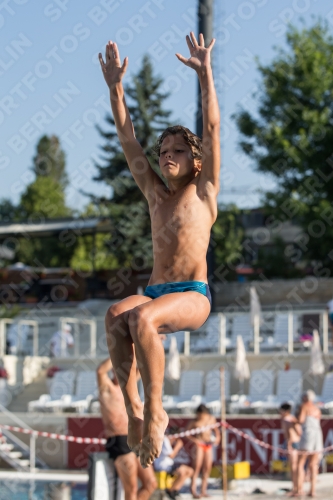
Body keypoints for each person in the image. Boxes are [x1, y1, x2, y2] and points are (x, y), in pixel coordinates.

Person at [99, 31, 220, 469]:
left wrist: (205, 73)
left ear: (196, 160)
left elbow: (212, 127)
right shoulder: (154, 194)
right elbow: (128, 138)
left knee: (143, 318)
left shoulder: (204, 192)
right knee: (116, 314)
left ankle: (155, 412)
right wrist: (116, 87)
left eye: (176, 151)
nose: (166, 156)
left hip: (191, 294)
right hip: (155, 291)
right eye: (163, 151)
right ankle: (133, 410)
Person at [97, 358, 157, 500]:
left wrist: (137, 344)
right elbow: (100, 371)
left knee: (151, 483)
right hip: (119, 440)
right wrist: (118, 347)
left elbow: (142, 368)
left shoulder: (128, 389)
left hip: (136, 439)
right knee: (131, 489)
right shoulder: (107, 388)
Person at [187, 404, 220, 498]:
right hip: (199, 444)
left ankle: (203, 490)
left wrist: (217, 438)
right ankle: (193, 490)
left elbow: (216, 430)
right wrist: (195, 441)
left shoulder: (211, 419)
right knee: (196, 467)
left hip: (208, 444)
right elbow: (186, 433)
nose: (200, 416)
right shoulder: (194, 421)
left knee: (207, 468)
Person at [295, 390, 323, 498]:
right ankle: (312, 490)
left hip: (308, 434)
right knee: (313, 465)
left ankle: (300, 489)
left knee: (300, 463)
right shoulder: (317, 408)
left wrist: (294, 420)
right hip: (317, 435)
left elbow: (301, 420)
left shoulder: (304, 406)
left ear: (306, 398)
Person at [154, 433, 193, 500]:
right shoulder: (165, 439)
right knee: (182, 472)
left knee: (190, 471)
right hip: (163, 466)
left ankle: (174, 490)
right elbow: (171, 455)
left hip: (169, 465)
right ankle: (170, 491)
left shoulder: (166, 440)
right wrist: (178, 446)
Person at [279, 403, 302, 497]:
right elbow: (299, 431)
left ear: (285, 411)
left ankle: (296, 489)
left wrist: (289, 443)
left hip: (292, 443)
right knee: (297, 467)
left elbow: (295, 431)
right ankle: (298, 488)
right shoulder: (291, 418)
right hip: (295, 442)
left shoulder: (287, 419)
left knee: (294, 467)